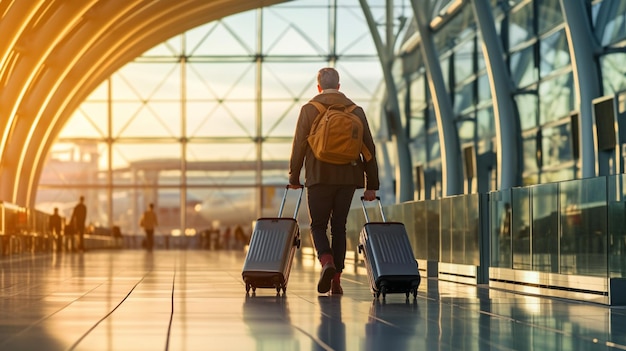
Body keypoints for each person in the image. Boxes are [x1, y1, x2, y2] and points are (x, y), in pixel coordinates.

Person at [288, 67, 379, 295]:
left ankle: (326, 261)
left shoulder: (309, 109)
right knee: (339, 227)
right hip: (348, 177)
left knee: (318, 225)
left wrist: (294, 176)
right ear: (339, 86)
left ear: (318, 86)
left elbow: (299, 144)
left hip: (318, 177)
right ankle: (336, 281)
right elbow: (369, 150)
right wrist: (372, 186)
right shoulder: (355, 111)